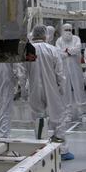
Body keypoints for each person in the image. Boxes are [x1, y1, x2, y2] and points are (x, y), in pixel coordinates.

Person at [27, 24, 73, 160]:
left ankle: (42, 150)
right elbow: (60, 73)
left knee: (39, 118)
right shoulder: (52, 50)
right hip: (52, 88)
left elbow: (22, 72)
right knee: (58, 119)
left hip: (34, 89)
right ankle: (62, 151)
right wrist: (62, 89)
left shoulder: (27, 50)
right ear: (45, 35)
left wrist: (24, 89)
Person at [55, 24, 86, 124]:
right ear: (62, 30)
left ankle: (82, 113)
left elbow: (77, 49)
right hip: (64, 70)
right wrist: (70, 52)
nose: (68, 31)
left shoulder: (76, 38)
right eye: (66, 29)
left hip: (76, 69)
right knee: (65, 91)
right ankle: (67, 113)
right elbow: (58, 53)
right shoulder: (59, 40)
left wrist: (66, 52)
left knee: (79, 89)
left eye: (70, 29)